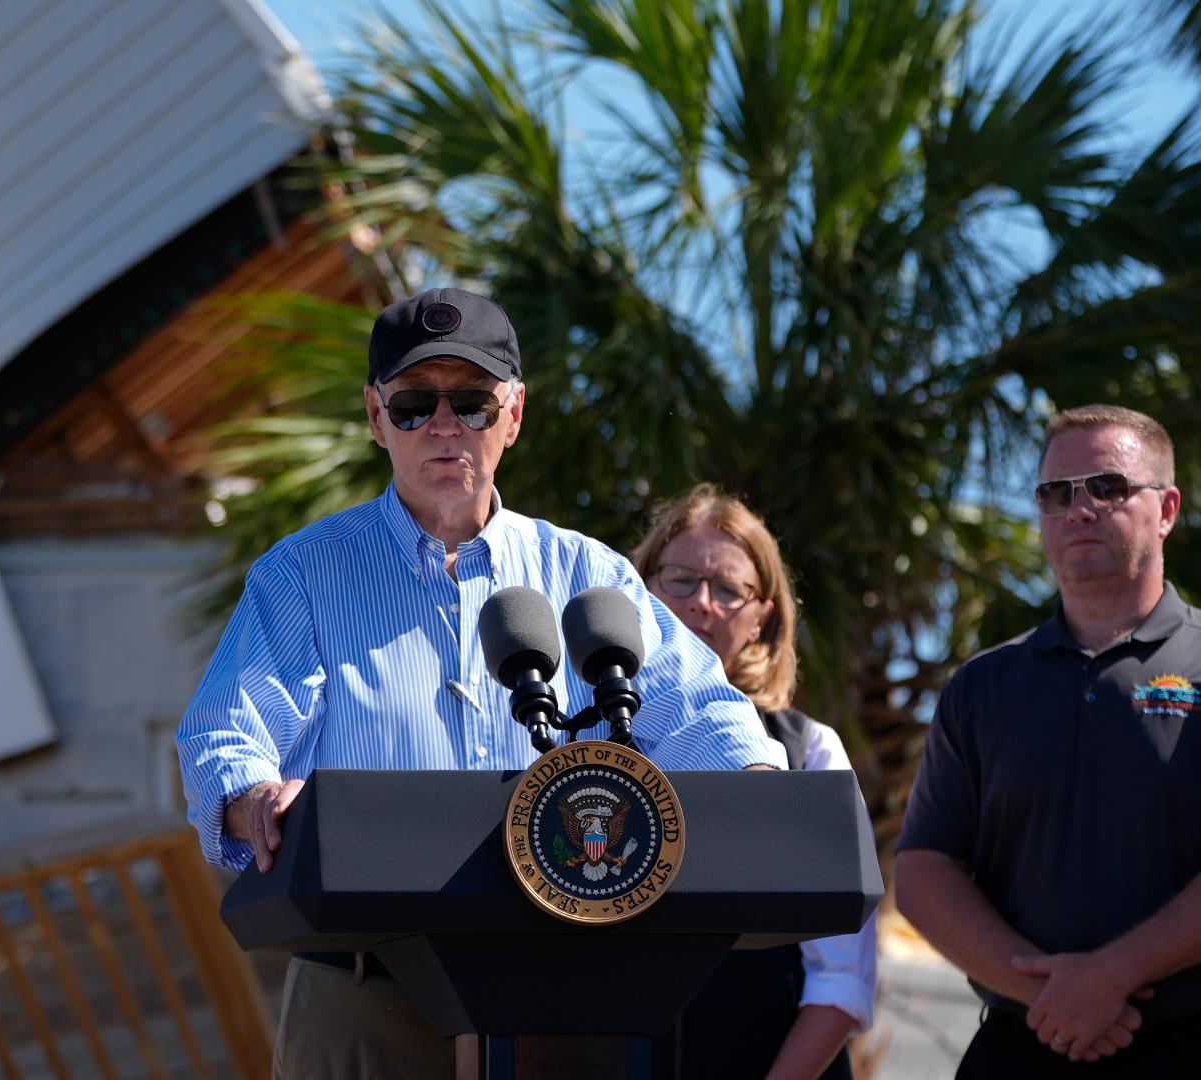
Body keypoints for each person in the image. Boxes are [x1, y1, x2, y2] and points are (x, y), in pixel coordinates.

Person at [176, 288, 786, 1077]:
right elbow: (226, 731)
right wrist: (255, 796)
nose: (443, 426)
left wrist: (762, 785)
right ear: (373, 417)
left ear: (514, 415)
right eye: (413, 405)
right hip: (367, 996)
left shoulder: (589, 576)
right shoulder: (303, 573)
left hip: (566, 991)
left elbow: (702, 714)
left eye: (471, 402)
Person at [897, 404, 1201, 1077]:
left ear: (1168, 509)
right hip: (1018, 1043)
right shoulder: (982, 686)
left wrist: (1113, 976)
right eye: (1056, 493)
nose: (1079, 509)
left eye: (1108, 487)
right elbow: (923, 870)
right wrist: (1052, 998)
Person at [633, 484, 878, 1080]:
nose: (702, 605)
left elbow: (843, 973)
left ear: (762, 616)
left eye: (728, 589)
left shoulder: (806, 747)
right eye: (682, 580)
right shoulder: (585, 741)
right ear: (641, 589)